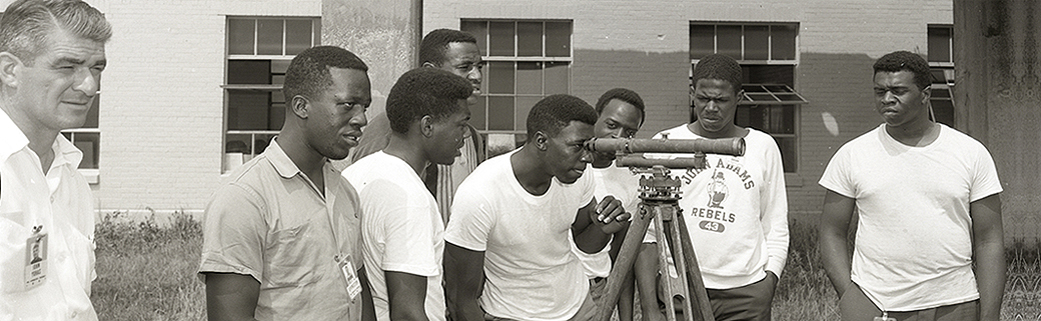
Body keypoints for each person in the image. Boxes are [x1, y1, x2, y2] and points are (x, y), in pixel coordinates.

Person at [819, 51, 1004, 321]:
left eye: (898, 90)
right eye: (879, 91)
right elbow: (831, 232)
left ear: (925, 94)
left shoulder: (969, 153)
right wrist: (850, 297)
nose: (886, 99)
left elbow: (989, 240)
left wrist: (989, 317)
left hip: (955, 304)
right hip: (877, 305)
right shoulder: (853, 154)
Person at [199, 46, 375, 321]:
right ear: (301, 106)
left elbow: (357, 289)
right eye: (348, 105)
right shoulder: (244, 198)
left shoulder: (345, 191)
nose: (361, 119)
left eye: (365, 107)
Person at [444, 94, 630, 321]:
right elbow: (460, 300)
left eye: (589, 146)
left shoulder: (579, 174)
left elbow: (585, 244)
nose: (588, 158)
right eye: (578, 147)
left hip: (579, 308)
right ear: (541, 141)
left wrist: (603, 227)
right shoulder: (480, 193)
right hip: (513, 314)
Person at [643, 54, 788, 321]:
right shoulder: (666, 142)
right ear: (691, 94)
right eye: (703, 98)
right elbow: (648, 233)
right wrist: (651, 306)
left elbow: (775, 223)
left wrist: (769, 281)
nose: (711, 107)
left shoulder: (762, 146)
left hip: (747, 291)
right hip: (680, 287)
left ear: (739, 98)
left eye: (720, 100)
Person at [0, 0, 110, 319]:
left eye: (96, 68)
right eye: (67, 66)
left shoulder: (71, 176)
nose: (89, 86)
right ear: (10, 71)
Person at [343, 68, 473, 321]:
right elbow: (408, 313)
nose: (466, 134)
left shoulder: (355, 174)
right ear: (427, 125)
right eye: (461, 124)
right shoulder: (410, 198)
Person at [349, 28, 484, 223]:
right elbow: (366, 205)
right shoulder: (389, 128)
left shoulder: (473, 137)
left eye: (480, 67)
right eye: (465, 67)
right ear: (430, 70)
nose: (476, 76)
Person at [568, 88, 646, 321]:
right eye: (612, 125)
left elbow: (623, 256)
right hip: (550, 286)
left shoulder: (631, 178)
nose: (619, 136)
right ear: (595, 116)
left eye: (629, 132)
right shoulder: (563, 163)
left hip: (595, 290)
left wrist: (625, 316)